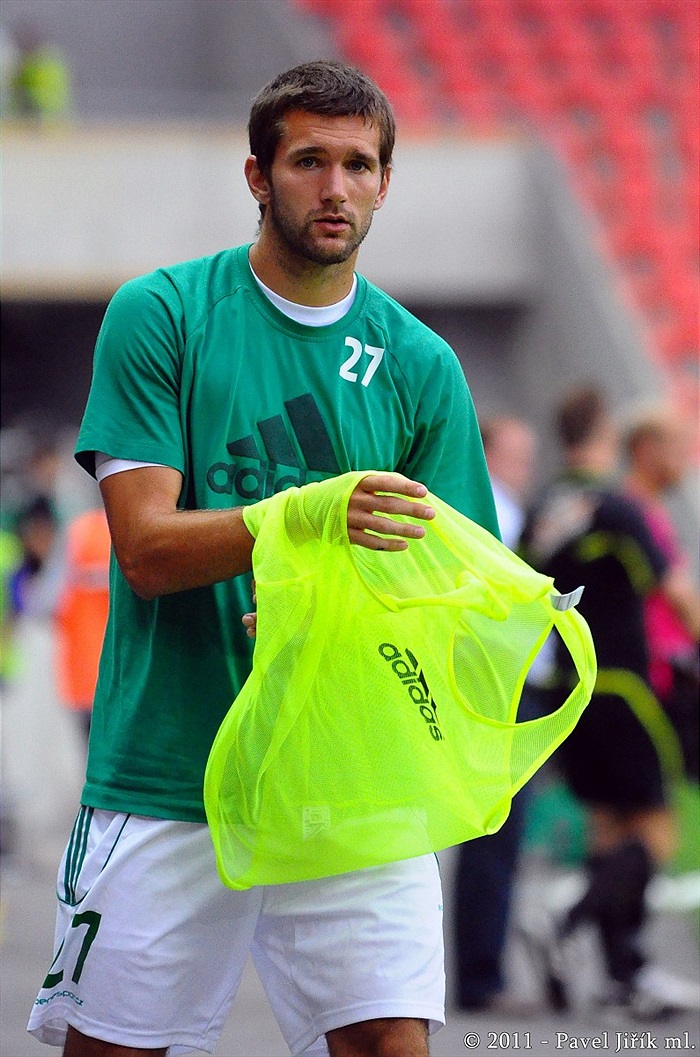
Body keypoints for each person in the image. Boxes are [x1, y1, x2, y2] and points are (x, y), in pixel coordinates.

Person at [28, 60, 499, 1057]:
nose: (335, 188)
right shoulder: (163, 315)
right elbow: (148, 550)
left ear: (384, 183)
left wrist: (345, 620)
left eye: (359, 165)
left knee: (387, 1046)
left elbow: (460, 590)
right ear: (257, 176)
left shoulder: (419, 364)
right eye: (308, 161)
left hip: (350, 778)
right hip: (172, 766)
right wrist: (307, 518)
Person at [520, 384, 700, 1018]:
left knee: (608, 830)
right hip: (624, 683)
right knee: (657, 829)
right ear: (607, 436)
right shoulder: (619, 507)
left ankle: (626, 975)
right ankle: (565, 922)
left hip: (568, 690)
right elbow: (675, 594)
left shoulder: (542, 508)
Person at [452, 414, 541, 1012]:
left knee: (498, 837)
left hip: (505, 684)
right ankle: (482, 977)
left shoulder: (504, 508)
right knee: (495, 835)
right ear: (487, 453)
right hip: (499, 686)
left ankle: (483, 970)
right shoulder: (492, 511)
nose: (524, 465)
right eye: (515, 453)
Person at [622, 403, 700, 780]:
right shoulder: (635, 509)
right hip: (661, 675)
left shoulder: (644, 507)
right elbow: (679, 596)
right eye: (678, 445)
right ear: (647, 448)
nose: (686, 458)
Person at [53, 507, 112, 746]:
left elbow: (50, 602)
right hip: (107, 676)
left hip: (89, 677)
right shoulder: (83, 532)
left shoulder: (79, 532)